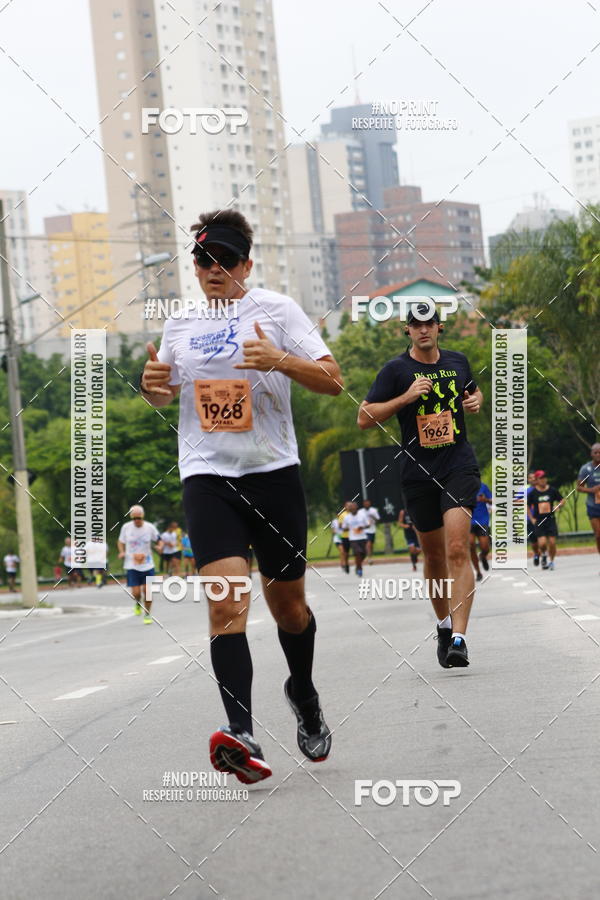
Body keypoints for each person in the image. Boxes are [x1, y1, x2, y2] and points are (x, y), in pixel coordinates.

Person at [140, 208, 343, 783]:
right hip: (207, 478)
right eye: (204, 260)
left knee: (290, 610)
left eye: (225, 260)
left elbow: (333, 379)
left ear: (246, 265)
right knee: (227, 601)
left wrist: (280, 360)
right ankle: (242, 734)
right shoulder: (180, 323)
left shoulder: (278, 310)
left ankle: (303, 692)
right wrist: (152, 387)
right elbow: (164, 391)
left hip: (273, 475)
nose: (214, 269)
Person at [358, 302, 483, 668]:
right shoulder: (395, 370)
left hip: (458, 465)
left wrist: (476, 400)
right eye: (416, 324)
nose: (423, 329)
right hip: (417, 472)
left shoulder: (458, 362)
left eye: (429, 323)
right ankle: (443, 626)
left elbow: (473, 393)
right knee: (434, 557)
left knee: (457, 548)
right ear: (407, 330)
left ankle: (459, 638)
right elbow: (364, 417)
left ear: (439, 327)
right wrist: (406, 398)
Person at [117, 505, 163, 622]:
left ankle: (147, 614)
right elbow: (120, 541)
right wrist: (121, 552)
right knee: (136, 593)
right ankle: (137, 603)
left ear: (143, 516)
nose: (137, 520)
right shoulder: (126, 527)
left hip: (148, 564)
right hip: (132, 565)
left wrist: (160, 546)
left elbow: (159, 540)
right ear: (131, 517)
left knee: (147, 591)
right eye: (134, 518)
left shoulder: (150, 527)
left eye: (139, 518)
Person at [528, 471, 564, 570]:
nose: (543, 480)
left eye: (544, 478)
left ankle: (551, 561)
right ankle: (543, 554)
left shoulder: (552, 490)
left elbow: (562, 500)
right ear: (537, 480)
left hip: (550, 519)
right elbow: (527, 505)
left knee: (552, 542)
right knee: (542, 543)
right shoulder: (533, 493)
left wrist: (558, 506)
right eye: (541, 478)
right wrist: (531, 518)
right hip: (539, 520)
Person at [577, 443, 600, 569]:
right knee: (598, 535)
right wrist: (592, 490)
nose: (598, 454)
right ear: (591, 454)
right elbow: (579, 487)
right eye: (595, 452)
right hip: (593, 506)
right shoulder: (586, 469)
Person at [469, 482, 492, 582]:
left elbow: (492, 501)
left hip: (482, 521)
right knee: (471, 545)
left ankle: (483, 556)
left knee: (485, 547)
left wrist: (485, 499)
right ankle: (478, 572)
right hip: (468, 521)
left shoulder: (483, 486)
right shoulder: (463, 486)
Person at [343, 501, 371, 576]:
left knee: (364, 554)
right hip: (353, 539)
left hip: (362, 537)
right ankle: (359, 569)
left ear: (357, 508)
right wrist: (350, 528)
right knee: (358, 553)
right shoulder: (347, 517)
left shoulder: (362, 515)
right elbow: (344, 528)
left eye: (354, 507)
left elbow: (368, 525)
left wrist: (362, 527)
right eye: (351, 508)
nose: (353, 509)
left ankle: (358, 565)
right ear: (350, 509)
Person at [526, 471, 541, 566]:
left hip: (541, 517)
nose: (533, 479)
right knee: (534, 540)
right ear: (528, 479)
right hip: (530, 518)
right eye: (530, 477)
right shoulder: (525, 491)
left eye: (534, 477)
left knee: (542, 538)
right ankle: (536, 553)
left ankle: (544, 555)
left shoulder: (541, 489)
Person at [362, 499, 381, 564]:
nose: (367, 504)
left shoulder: (373, 510)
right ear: (363, 504)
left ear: (370, 504)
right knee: (368, 544)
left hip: (372, 530)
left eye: (368, 503)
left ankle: (369, 556)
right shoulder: (361, 511)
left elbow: (378, 520)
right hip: (364, 530)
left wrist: (373, 517)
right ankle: (369, 558)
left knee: (371, 545)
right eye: (365, 503)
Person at [337, 502, 352, 574]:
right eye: (348, 506)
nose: (349, 507)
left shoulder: (354, 514)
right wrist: (347, 528)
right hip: (346, 536)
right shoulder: (342, 515)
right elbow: (340, 526)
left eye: (350, 506)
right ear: (345, 507)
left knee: (359, 551)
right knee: (346, 552)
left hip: (355, 537)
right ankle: (346, 564)